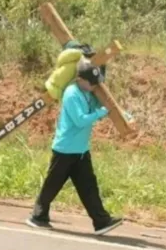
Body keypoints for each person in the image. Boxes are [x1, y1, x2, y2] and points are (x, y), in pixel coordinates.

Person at [25, 56, 123, 235]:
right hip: (65, 150)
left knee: (89, 187)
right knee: (52, 185)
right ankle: (38, 217)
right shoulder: (71, 94)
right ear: (80, 79)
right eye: (91, 82)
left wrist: (116, 111)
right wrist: (101, 112)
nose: (94, 86)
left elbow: (98, 105)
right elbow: (80, 120)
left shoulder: (87, 93)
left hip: (81, 151)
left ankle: (101, 221)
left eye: (96, 83)